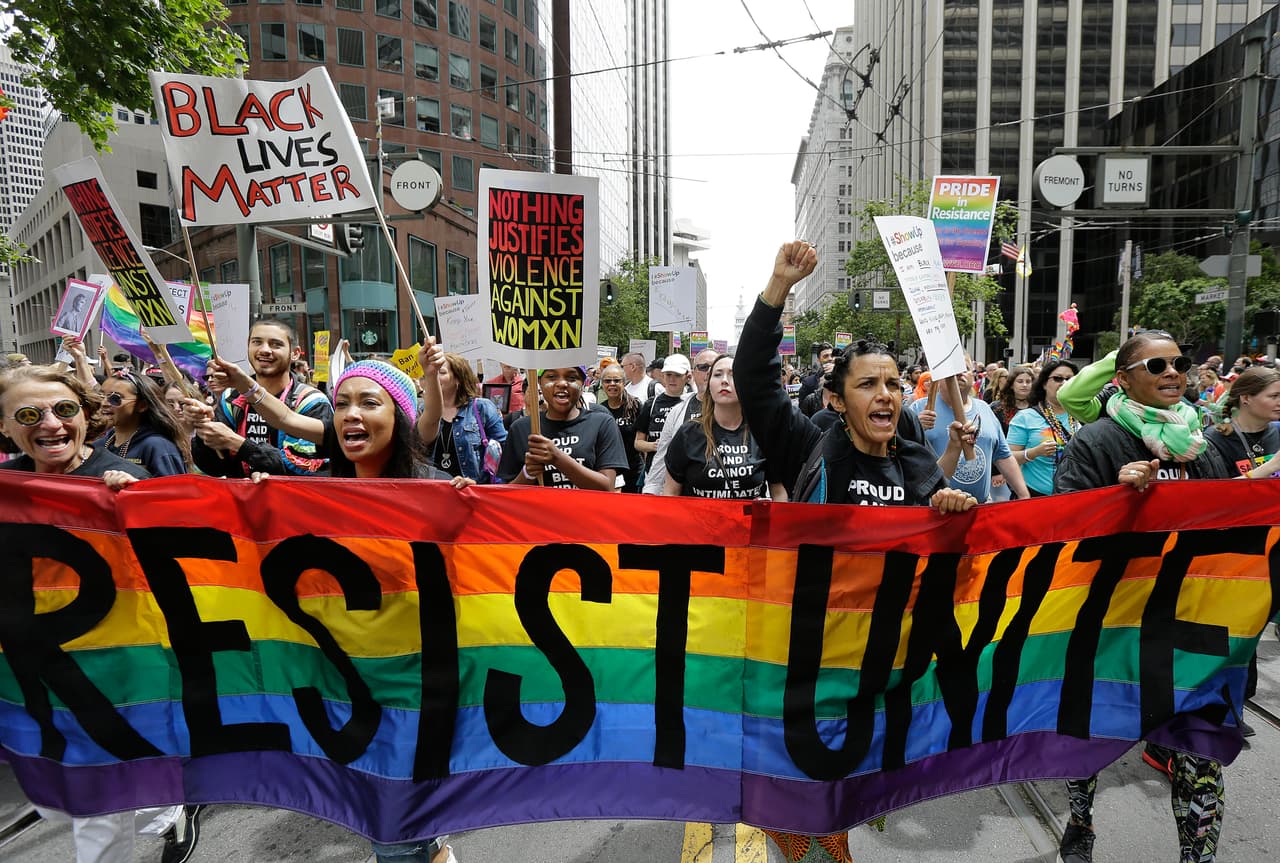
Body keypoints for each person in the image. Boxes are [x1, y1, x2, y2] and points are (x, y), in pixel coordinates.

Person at [735, 240, 975, 863]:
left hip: (883, 660)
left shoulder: (917, 460)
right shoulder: (806, 448)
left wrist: (951, 507)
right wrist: (778, 288)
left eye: (894, 383)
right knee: (810, 786)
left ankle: (821, 827)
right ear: (838, 400)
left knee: (852, 778)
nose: (887, 394)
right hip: (808, 654)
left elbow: (951, 548)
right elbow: (753, 378)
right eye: (868, 384)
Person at [0, 364, 202, 863]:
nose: (50, 424)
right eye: (29, 414)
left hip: (119, 667)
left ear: (85, 416)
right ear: (5, 427)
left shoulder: (127, 478)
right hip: (34, 668)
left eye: (64, 410)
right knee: (56, 793)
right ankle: (164, 810)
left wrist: (138, 509)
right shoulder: (6, 488)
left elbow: (193, 559)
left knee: (95, 801)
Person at [1053, 331, 1232, 863]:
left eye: (1179, 362)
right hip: (1112, 626)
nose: (1173, 372)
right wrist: (1116, 499)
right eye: (1156, 365)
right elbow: (1062, 531)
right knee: (1088, 743)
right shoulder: (1099, 441)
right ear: (1122, 380)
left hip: (1191, 628)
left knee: (1200, 757)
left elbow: (1228, 522)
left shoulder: (1201, 442)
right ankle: (1080, 824)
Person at [192, 319, 332, 478]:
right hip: (242, 501)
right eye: (257, 342)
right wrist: (204, 430)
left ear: (295, 353)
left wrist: (241, 445)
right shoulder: (231, 398)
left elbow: (307, 469)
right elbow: (215, 466)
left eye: (275, 344)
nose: (265, 350)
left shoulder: (311, 402)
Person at [663, 353, 786, 500]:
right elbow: (670, 493)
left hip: (748, 523)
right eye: (718, 374)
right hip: (697, 522)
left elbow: (779, 493)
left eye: (733, 374)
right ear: (709, 383)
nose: (724, 381)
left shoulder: (763, 433)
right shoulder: (688, 434)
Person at [911, 363, 1031, 503]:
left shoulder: (984, 409)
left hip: (981, 508)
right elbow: (900, 454)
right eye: (953, 369)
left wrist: (1024, 495)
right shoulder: (920, 408)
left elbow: (1003, 456)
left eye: (965, 368)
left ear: (972, 375)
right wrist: (916, 427)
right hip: (935, 509)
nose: (959, 373)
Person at [497, 366, 627, 490]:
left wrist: (558, 458)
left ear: (583, 383)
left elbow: (608, 487)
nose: (562, 384)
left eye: (571, 378)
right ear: (540, 383)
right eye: (552, 377)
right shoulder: (521, 428)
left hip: (586, 512)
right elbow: (508, 495)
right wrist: (527, 473)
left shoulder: (602, 423)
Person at [642, 346, 719, 494]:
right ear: (693, 373)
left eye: (714, 367)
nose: (709, 372)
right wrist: (650, 492)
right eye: (703, 367)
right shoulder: (678, 410)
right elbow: (662, 455)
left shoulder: (738, 408)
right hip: (686, 501)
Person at [419, 352, 507, 482]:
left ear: (458, 378)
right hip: (432, 494)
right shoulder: (422, 411)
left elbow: (504, 453)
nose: (434, 376)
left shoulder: (482, 408)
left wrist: (479, 485)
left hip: (471, 494)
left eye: (441, 372)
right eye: (430, 373)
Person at [98, 369, 192, 478]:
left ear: (142, 405)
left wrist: (134, 485)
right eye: (100, 396)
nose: (104, 403)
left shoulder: (158, 446)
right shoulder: (98, 445)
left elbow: (173, 492)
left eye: (115, 398)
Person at [1006, 360, 1078, 497]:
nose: (1064, 383)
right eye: (1057, 378)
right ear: (1044, 383)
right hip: (1034, 497)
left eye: (1070, 379)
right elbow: (1007, 459)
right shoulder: (1025, 417)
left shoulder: (1082, 415)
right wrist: (1034, 452)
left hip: (1071, 495)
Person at [634, 354, 691, 473]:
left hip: (685, 473)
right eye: (668, 374)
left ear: (687, 377)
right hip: (655, 473)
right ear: (663, 376)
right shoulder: (651, 404)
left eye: (677, 375)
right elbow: (638, 442)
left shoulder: (693, 403)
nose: (672, 379)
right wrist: (654, 446)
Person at [597, 363, 644, 492]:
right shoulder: (599, 410)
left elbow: (643, 438)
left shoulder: (636, 407)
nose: (612, 384)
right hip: (610, 474)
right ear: (602, 384)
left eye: (617, 380)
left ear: (624, 383)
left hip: (634, 472)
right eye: (607, 381)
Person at [992, 365, 1034, 431]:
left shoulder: (1039, 407)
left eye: (1028, 382)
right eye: (1020, 381)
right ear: (1011, 385)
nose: (1024, 385)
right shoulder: (996, 408)